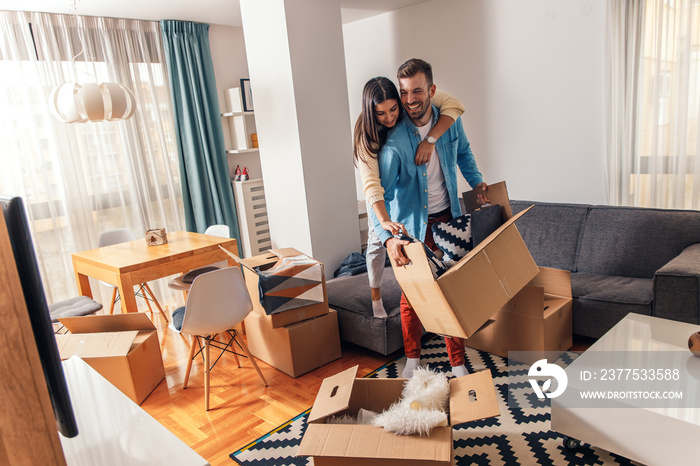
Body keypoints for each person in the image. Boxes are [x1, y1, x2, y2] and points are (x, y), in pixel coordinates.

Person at [368, 58, 488, 378]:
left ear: (431, 91)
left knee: (452, 290)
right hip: (412, 228)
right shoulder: (393, 142)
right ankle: (412, 358)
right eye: (404, 93)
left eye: (417, 91)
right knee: (413, 294)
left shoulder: (449, 121)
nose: (409, 101)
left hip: (450, 219)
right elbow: (375, 198)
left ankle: (458, 363)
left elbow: (464, 154)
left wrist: (477, 182)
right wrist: (388, 238)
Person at [353, 77, 466, 319]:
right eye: (381, 113)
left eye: (394, 109)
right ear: (371, 112)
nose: (390, 117)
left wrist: (430, 141)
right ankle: (375, 298)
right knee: (375, 242)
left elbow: (454, 104)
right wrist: (383, 222)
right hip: (378, 196)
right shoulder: (367, 137)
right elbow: (373, 186)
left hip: (401, 197)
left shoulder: (408, 100)